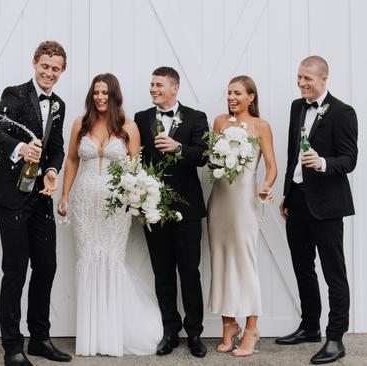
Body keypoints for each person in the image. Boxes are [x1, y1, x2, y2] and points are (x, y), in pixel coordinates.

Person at [58, 73, 163, 356]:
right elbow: (71, 159)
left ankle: (111, 334)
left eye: (105, 93)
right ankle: (90, 336)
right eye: (96, 93)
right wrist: (65, 195)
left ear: (115, 95)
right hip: (84, 205)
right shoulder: (80, 124)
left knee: (111, 261)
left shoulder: (128, 126)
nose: (100, 97)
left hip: (116, 207)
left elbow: (136, 166)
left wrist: (139, 199)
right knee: (89, 260)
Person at [0, 41, 72, 366]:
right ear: (35, 63)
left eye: (56, 69)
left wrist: (51, 170)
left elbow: (58, 147)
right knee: (15, 269)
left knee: (46, 265)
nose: (49, 73)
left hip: (40, 195)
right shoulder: (14, 94)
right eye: (45, 66)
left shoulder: (59, 104)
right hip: (10, 194)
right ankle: (12, 348)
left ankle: (40, 338)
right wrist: (21, 148)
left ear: (62, 71)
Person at [277, 56, 357, 365]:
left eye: (307, 78)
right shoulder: (297, 107)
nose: (301, 83)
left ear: (324, 79)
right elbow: (291, 154)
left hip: (327, 206)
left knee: (333, 272)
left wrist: (323, 163)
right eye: (299, 77)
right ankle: (310, 326)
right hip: (297, 201)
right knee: (302, 266)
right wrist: (287, 193)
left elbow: (349, 160)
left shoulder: (343, 112)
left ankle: (335, 338)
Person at [133, 66, 209, 358]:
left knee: (190, 272)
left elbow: (203, 156)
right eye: (151, 84)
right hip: (153, 209)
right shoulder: (141, 119)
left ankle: (195, 333)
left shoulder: (195, 117)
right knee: (162, 272)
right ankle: (169, 331)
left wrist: (179, 148)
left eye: (159, 85)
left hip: (187, 210)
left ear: (175, 88)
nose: (153, 89)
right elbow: (135, 157)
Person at [207, 75, 277, 357]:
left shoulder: (261, 126)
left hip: (246, 203)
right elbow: (212, 160)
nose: (231, 97)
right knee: (220, 262)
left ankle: (251, 329)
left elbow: (271, 167)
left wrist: (266, 186)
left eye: (237, 93)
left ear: (251, 97)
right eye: (229, 93)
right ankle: (228, 325)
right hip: (219, 201)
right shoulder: (219, 121)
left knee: (245, 265)